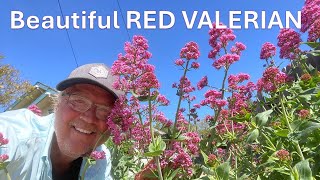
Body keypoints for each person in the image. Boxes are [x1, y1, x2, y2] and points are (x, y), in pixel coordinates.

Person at [0, 63, 123, 180]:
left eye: (105, 111)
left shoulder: (101, 157)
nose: (89, 118)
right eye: (79, 101)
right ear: (57, 104)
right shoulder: (15, 133)